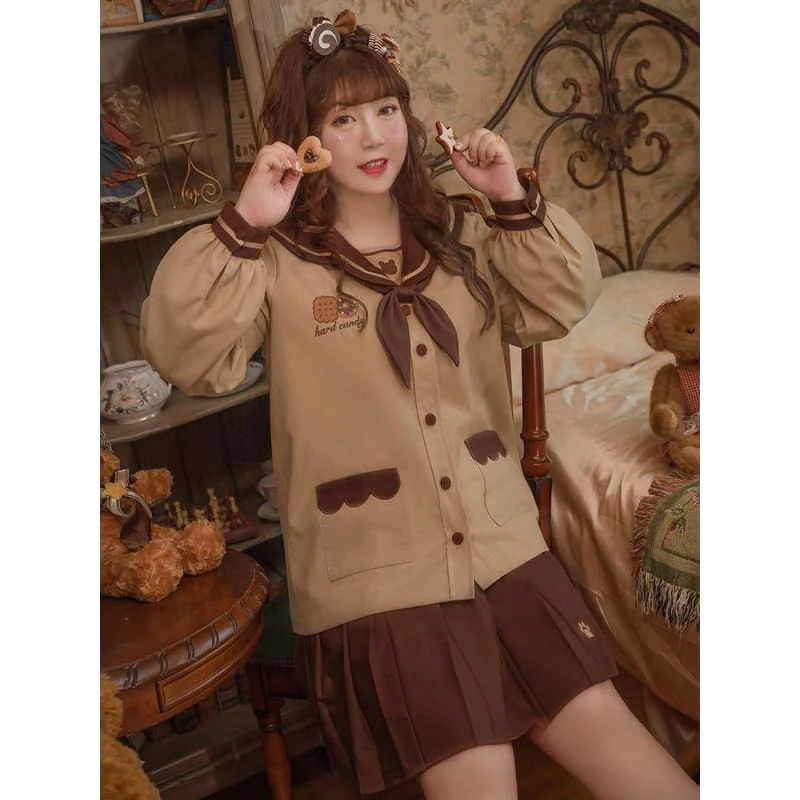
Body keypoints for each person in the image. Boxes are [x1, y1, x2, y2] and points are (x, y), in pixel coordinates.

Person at [140, 10, 699, 800]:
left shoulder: (464, 237)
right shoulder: (275, 262)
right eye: (343, 118)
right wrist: (245, 221)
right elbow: (185, 355)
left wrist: (508, 194)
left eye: (385, 109)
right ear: (305, 138)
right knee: (481, 775)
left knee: (635, 761)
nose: (373, 136)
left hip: (504, 549)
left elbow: (563, 299)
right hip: (379, 574)